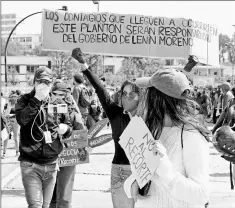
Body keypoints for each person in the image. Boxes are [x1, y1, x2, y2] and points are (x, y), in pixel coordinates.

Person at [72, 48, 141, 208]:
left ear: (140, 97)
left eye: (132, 94)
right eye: (124, 93)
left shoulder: (147, 117)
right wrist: (84, 65)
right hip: (120, 171)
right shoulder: (115, 114)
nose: (127, 97)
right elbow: (101, 90)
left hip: (144, 173)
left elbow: (167, 95)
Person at [132, 68, 210, 207]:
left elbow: (201, 194)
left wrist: (164, 168)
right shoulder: (151, 128)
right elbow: (145, 175)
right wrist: (133, 183)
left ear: (158, 99)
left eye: (148, 93)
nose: (143, 98)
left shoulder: (191, 135)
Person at [15, 66, 73, 208]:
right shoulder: (24, 100)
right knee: (35, 205)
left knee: (45, 206)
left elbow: (68, 125)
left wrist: (65, 129)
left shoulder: (58, 102)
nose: (44, 85)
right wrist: (36, 100)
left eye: (47, 82)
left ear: (51, 84)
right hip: (30, 164)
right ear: (34, 83)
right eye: (40, 81)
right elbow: (21, 120)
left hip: (51, 164)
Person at [49, 81, 86, 208]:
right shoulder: (46, 110)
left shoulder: (73, 113)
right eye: (55, 94)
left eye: (61, 95)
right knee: (49, 195)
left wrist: (82, 153)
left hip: (68, 158)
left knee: (64, 194)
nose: (58, 98)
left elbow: (81, 134)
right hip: (49, 157)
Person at [1, 91, 20, 158]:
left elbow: (19, 114)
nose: (14, 99)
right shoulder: (7, 104)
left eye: (15, 98)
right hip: (8, 121)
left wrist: (12, 114)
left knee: (15, 138)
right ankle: (4, 153)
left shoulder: (18, 105)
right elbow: (5, 114)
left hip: (15, 121)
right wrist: (9, 106)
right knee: (6, 137)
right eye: (13, 98)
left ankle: (17, 152)